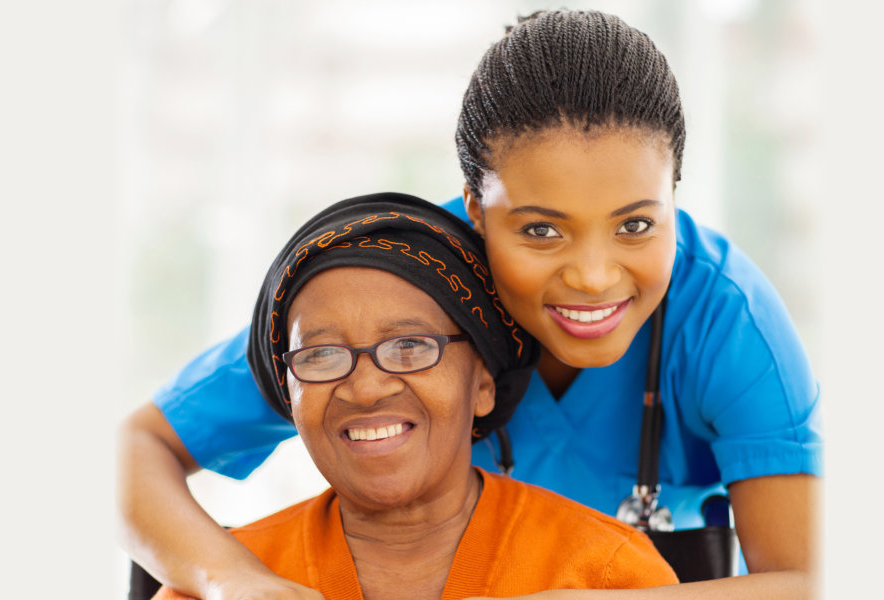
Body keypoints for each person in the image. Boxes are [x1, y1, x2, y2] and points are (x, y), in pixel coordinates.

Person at [120, 9, 821, 599]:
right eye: (541, 230)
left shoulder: (726, 320)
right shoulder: (402, 287)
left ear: (675, 195)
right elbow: (133, 449)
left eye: (637, 223)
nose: (594, 277)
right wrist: (233, 580)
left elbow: (810, 580)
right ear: (475, 212)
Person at [152, 193, 678, 599]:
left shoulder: (609, 571)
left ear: (484, 387)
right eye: (321, 356)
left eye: (410, 346)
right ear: (288, 394)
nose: (365, 387)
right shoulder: (221, 586)